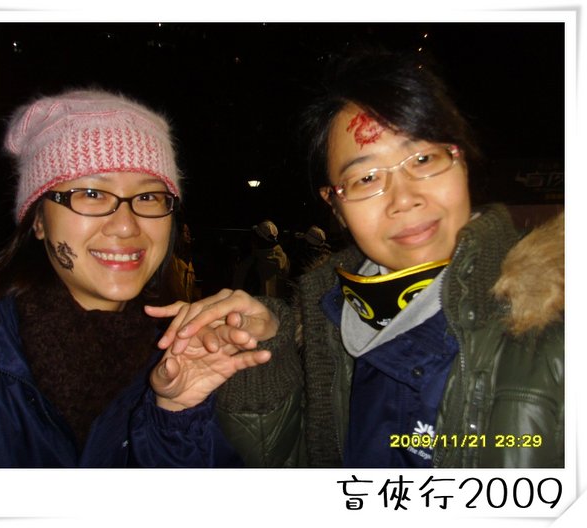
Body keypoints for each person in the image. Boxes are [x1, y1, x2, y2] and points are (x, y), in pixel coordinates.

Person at [148, 48, 564, 468]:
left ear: (462, 161)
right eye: (366, 178)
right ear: (335, 206)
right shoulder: (327, 326)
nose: (405, 199)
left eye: (423, 159)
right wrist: (257, 364)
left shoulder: (562, 322)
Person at [0, 89, 272, 468]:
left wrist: (176, 417)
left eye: (148, 198)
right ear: (39, 221)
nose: (127, 226)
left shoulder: (182, 355)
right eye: (92, 193)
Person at [232, 220, 291, 298]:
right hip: (278, 303)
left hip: (258, 304)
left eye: (255, 236)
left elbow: (238, 289)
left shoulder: (252, 263)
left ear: (258, 239)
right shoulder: (284, 258)